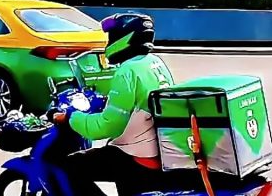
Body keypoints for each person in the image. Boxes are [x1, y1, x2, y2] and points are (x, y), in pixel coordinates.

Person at [49, 13, 179, 196]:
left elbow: (107, 126)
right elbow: (133, 104)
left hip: (135, 155)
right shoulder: (154, 63)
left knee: (69, 168)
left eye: (112, 37)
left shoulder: (127, 71)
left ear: (124, 38)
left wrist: (70, 117)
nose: (109, 43)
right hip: (159, 150)